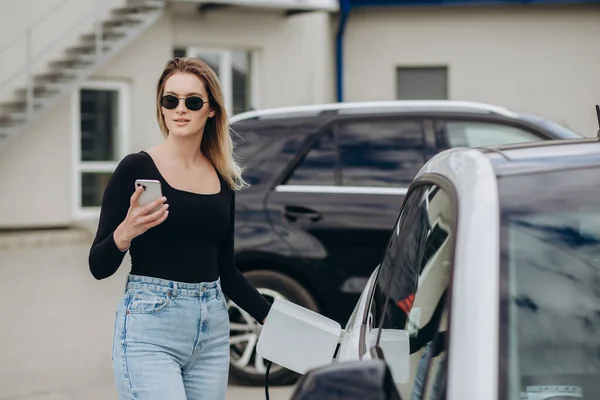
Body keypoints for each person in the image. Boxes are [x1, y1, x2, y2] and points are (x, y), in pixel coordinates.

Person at [88, 57, 272, 400]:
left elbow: (226, 269)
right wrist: (124, 233)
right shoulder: (135, 168)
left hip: (212, 329)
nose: (180, 109)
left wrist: (273, 318)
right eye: (170, 100)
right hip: (150, 326)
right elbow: (98, 266)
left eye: (192, 101)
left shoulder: (223, 178)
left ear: (212, 110)